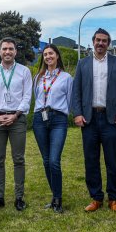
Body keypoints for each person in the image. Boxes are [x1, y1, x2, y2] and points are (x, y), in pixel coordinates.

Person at [70, 28, 116, 213]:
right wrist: (77, 114)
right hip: (89, 119)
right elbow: (76, 91)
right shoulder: (83, 64)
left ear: (108, 44)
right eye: (98, 40)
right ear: (93, 41)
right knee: (91, 160)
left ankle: (113, 198)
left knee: (112, 160)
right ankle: (96, 197)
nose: (101, 43)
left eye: (104, 41)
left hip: (110, 118)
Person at [0, 37, 33, 211]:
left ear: (15, 52)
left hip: (17, 120)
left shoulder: (24, 71)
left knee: (18, 159)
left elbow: (27, 96)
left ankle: (19, 197)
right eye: (4, 49)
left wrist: (15, 114)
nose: (7, 52)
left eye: (11, 49)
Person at [32, 45, 73, 213]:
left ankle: (58, 199)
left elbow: (70, 101)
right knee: (46, 161)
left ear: (57, 56)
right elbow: (36, 97)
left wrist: (60, 113)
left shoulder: (66, 77)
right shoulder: (38, 77)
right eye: (45, 54)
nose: (48, 56)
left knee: (54, 161)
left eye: (51, 53)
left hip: (58, 120)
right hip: (39, 119)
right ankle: (54, 195)